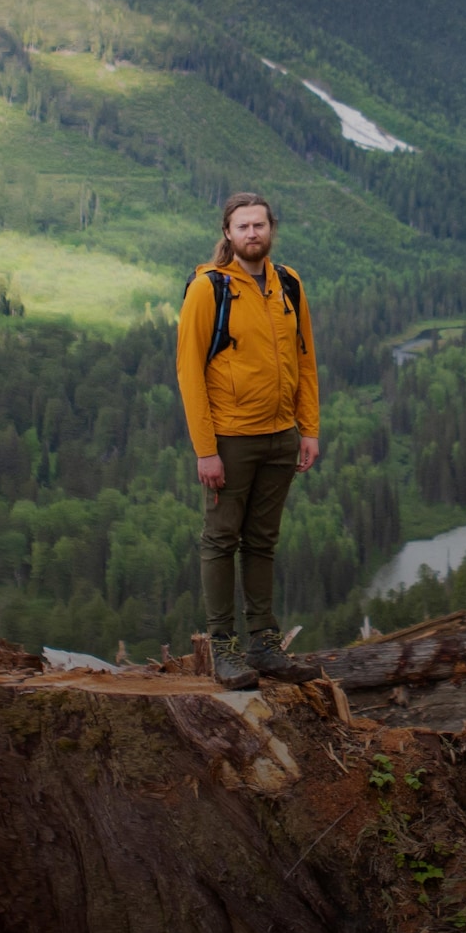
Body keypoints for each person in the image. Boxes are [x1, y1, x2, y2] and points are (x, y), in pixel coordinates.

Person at [176, 192, 321, 688]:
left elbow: (305, 360)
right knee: (220, 540)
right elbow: (189, 371)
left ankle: (263, 644)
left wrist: (309, 428)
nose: (252, 233)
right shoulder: (209, 289)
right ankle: (226, 650)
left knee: (262, 542)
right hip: (231, 439)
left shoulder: (289, 284)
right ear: (228, 234)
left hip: (281, 436)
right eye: (243, 227)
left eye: (259, 225)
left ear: (271, 229)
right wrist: (205, 449)